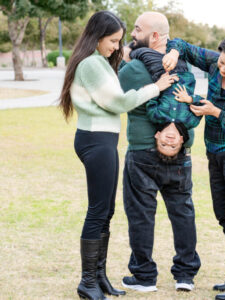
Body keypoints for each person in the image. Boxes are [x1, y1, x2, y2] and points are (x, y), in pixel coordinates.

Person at [58, 11, 176, 300]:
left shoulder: (96, 62)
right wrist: (156, 87)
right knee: (98, 211)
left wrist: (173, 49)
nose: (116, 47)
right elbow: (119, 102)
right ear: (97, 37)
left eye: (119, 41)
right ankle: (87, 281)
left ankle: (98, 278)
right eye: (112, 41)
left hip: (101, 140)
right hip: (96, 141)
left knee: (105, 212)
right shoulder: (93, 63)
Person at [163, 31, 225, 300]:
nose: (222, 68)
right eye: (221, 63)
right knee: (222, 214)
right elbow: (181, 44)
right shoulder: (216, 61)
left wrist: (214, 111)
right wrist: (173, 52)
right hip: (213, 151)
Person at [118, 11, 201, 293]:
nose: (132, 33)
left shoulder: (134, 68)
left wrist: (128, 61)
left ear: (154, 36)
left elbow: (114, 97)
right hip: (181, 151)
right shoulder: (184, 65)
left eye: (137, 29)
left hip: (143, 150)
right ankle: (185, 275)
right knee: (183, 212)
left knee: (141, 213)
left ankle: (144, 276)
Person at [129, 46, 203, 158]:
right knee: (175, 46)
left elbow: (151, 95)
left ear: (157, 135)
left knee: (142, 52)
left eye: (163, 144)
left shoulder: (156, 116)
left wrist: (159, 83)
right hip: (184, 71)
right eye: (173, 147)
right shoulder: (190, 122)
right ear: (181, 140)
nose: (169, 143)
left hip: (162, 70)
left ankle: (128, 50)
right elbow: (202, 104)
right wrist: (189, 99)